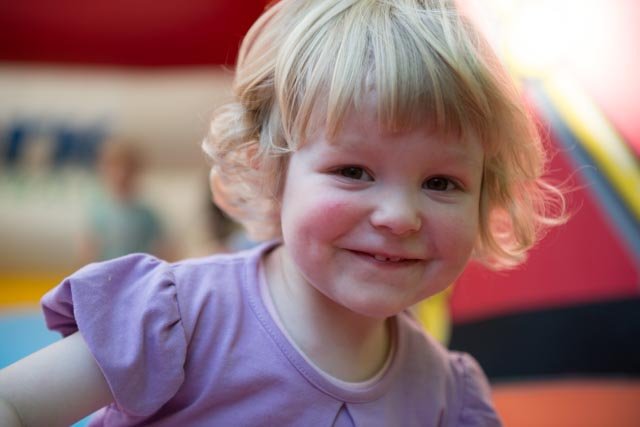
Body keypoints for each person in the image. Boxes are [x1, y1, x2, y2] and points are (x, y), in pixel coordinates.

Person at [0, 0, 567, 425]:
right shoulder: (179, 320)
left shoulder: (447, 400)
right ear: (273, 172)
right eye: (354, 171)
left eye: (441, 182)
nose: (399, 216)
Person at [77, 138, 170, 264]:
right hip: (108, 274)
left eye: (128, 168)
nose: (121, 174)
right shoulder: (98, 213)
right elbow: (88, 252)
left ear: (136, 172)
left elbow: (163, 251)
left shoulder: (147, 215)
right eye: (115, 167)